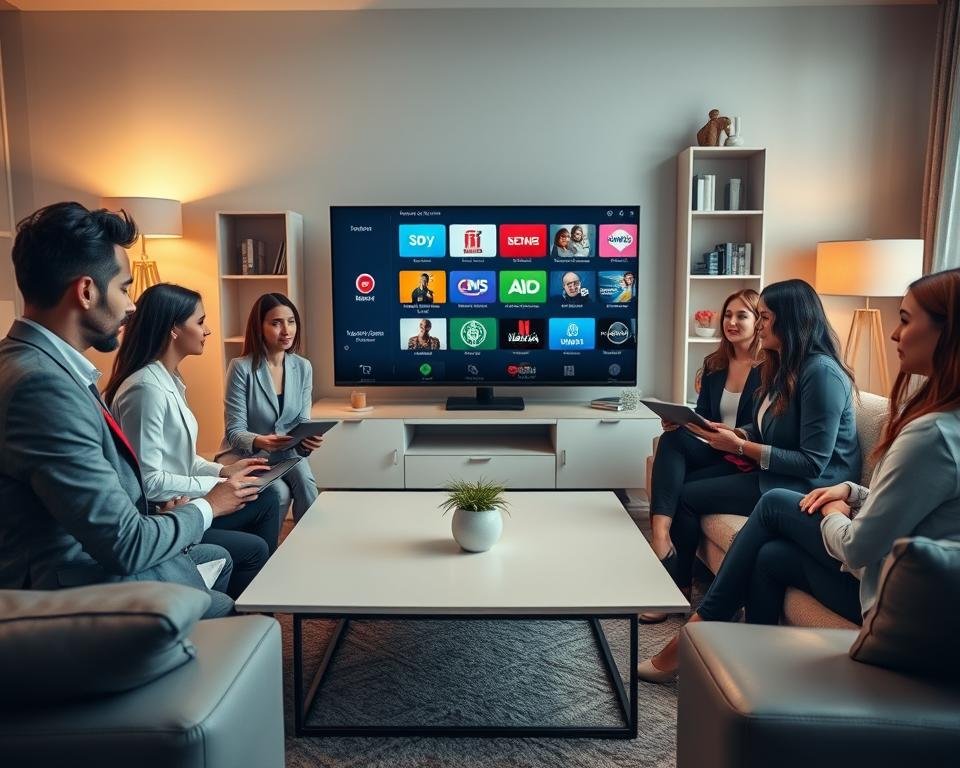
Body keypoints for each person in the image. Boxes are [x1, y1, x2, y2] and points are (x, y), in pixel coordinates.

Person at [638, 268, 960, 682]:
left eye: (904, 318)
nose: (895, 334)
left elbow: (817, 469)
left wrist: (834, 502)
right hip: (846, 518)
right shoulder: (783, 370)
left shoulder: (831, 379)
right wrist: (850, 491)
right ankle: (753, 667)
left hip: (816, 497)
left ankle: (698, 629)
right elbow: (901, 496)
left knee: (769, 506)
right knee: (767, 555)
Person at [0, 202, 254, 618]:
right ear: (86, 291)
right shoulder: (41, 385)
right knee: (234, 611)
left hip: (92, 559)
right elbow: (126, 544)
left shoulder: (34, 365)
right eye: (124, 288)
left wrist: (157, 506)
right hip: (68, 592)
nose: (132, 305)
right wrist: (211, 504)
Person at [650, 279, 861, 604]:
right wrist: (739, 433)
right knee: (682, 478)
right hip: (777, 475)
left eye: (763, 317)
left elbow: (814, 461)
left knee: (689, 495)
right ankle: (673, 578)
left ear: (789, 319)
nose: (758, 325)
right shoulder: (786, 368)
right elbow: (767, 428)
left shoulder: (821, 373)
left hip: (809, 486)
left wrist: (737, 446)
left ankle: (672, 588)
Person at [104, 283, 285, 599]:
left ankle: (261, 600)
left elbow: (181, 459)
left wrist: (223, 473)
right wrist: (217, 492)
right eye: (200, 322)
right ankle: (247, 616)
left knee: (265, 496)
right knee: (254, 547)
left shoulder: (169, 378)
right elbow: (148, 481)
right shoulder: (145, 390)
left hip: (184, 498)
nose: (209, 330)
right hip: (164, 511)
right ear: (173, 329)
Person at [641, 289, 763, 622]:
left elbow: (766, 426)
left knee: (681, 490)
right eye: (728, 315)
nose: (732, 322)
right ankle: (662, 538)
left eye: (742, 316)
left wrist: (735, 436)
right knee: (672, 438)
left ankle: (675, 585)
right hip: (713, 448)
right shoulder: (714, 364)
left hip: (744, 455)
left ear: (759, 321)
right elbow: (705, 413)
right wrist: (684, 419)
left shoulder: (770, 368)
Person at [218, 293, 323, 523]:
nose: (286, 330)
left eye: (291, 321)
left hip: (288, 453)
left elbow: (302, 423)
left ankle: (310, 545)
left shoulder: (303, 367)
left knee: (307, 484)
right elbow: (234, 431)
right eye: (276, 323)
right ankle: (269, 553)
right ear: (259, 327)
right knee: (279, 494)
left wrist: (308, 441)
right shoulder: (241, 368)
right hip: (250, 455)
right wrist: (260, 441)